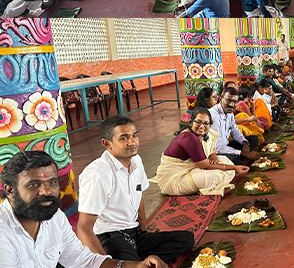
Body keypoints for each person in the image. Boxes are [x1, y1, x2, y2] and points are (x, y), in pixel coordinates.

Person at [0, 151, 169, 268]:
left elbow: (85, 261)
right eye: (33, 185)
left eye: (52, 182)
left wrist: (136, 265)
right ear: (10, 191)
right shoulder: (3, 231)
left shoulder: (55, 218)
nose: (46, 192)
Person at [77, 117, 195, 264]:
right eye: (123, 138)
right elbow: (83, 228)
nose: (132, 142)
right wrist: (105, 264)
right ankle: (135, 262)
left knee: (186, 239)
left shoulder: (136, 161)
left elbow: (139, 196)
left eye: (135, 135)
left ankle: (137, 261)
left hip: (133, 232)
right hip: (110, 236)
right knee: (130, 262)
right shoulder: (98, 174)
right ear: (106, 144)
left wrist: (144, 228)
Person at [152, 107, 246, 196]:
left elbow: (212, 152)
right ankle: (208, 186)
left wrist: (214, 160)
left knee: (224, 160)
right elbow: (204, 165)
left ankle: (211, 182)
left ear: (210, 125)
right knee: (217, 175)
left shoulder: (205, 134)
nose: (202, 126)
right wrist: (234, 168)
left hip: (191, 169)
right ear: (191, 123)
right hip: (173, 180)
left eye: (206, 123)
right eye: (198, 122)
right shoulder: (189, 138)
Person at [208, 87, 258, 165]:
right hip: (215, 152)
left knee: (254, 139)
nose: (231, 105)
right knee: (234, 159)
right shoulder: (213, 116)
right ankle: (242, 159)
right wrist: (243, 153)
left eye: (235, 102)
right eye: (228, 100)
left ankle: (242, 158)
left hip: (226, 145)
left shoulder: (229, 113)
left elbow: (235, 131)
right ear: (221, 98)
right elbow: (218, 148)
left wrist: (245, 143)